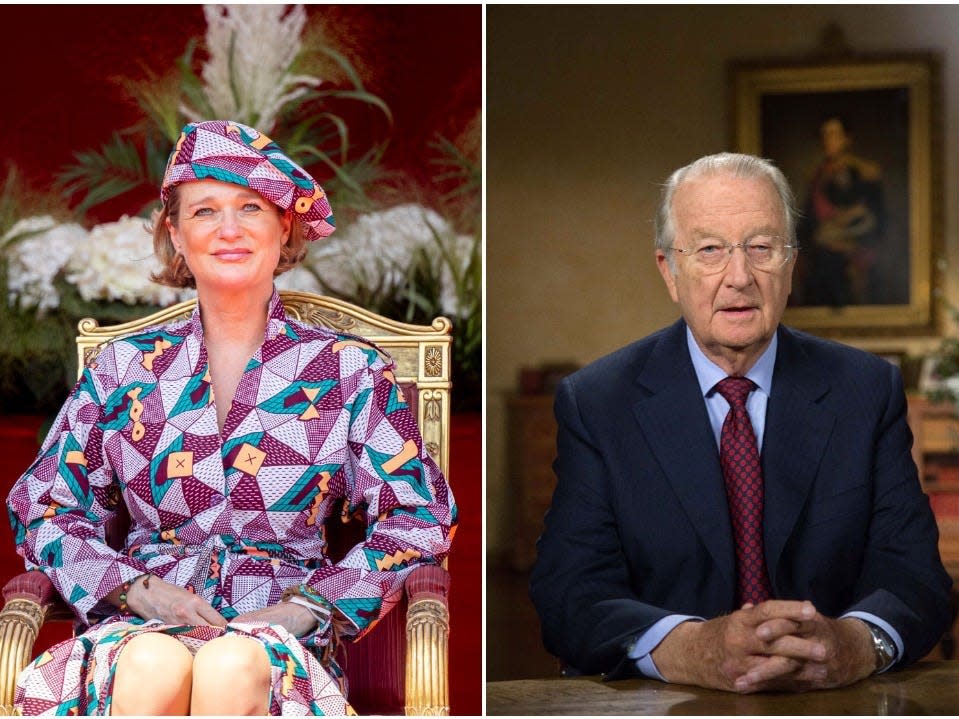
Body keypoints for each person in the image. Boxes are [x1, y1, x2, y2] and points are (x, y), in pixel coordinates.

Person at [7, 119, 456, 715]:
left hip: (278, 642)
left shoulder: (350, 371)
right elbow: (44, 506)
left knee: (231, 660)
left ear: (284, 225)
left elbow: (419, 519)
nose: (228, 230)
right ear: (175, 231)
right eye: (204, 212)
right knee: (151, 661)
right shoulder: (124, 370)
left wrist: (309, 607)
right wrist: (138, 591)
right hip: (142, 627)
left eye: (250, 208)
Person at [529, 152, 951, 693]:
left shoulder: (865, 390)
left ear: (792, 265)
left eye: (761, 248)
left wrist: (852, 643)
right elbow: (570, 592)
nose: (739, 277)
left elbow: (915, 578)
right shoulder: (597, 402)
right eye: (710, 250)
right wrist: (692, 649)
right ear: (669, 271)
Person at [797, 116, 885, 307]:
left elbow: (877, 219)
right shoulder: (817, 177)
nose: (828, 140)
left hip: (858, 247)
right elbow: (807, 223)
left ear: (846, 139)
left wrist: (849, 237)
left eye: (834, 134)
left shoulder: (866, 173)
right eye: (825, 135)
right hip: (824, 252)